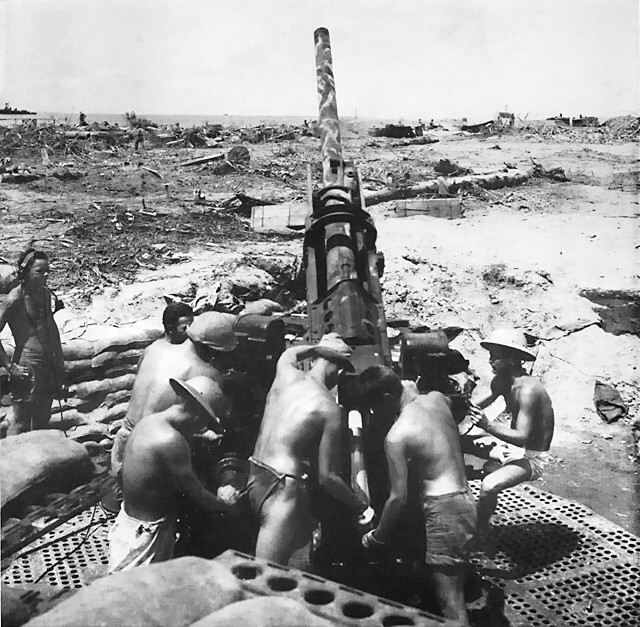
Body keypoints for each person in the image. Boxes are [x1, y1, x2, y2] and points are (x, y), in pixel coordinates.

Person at [359, 366, 476, 627]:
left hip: (444, 511)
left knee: (451, 604)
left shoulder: (397, 435)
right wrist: (410, 391)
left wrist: (377, 536)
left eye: (375, 407)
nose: (376, 414)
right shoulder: (436, 399)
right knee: (453, 589)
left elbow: (397, 499)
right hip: (465, 501)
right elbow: (448, 405)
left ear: (387, 398)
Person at [247, 333, 373, 566]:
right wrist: (359, 504)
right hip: (283, 488)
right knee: (267, 574)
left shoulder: (285, 372)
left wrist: (319, 348)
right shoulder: (329, 409)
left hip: (256, 474)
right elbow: (327, 477)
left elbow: (292, 352)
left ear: (315, 359)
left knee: (293, 546)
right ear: (340, 371)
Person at [108, 376, 239, 573]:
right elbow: (198, 494)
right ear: (197, 415)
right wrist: (225, 504)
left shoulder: (150, 422)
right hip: (147, 534)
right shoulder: (172, 442)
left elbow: (166, 444)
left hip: (130, 522)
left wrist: (200, 436)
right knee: (136, 591)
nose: (203, 427)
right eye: (205, 422)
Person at [110, 311, 236, 478]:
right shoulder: (209, 374)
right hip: (150, 453)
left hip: (123, 444)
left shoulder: (153, 348)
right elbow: (212, 417)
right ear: (209, 348)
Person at [468, 328, 554, 535]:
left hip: (530, 456)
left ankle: (478, 532)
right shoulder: (502, 380)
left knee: (489, 486)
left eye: (495, 357)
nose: (490, 361)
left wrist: (487, 425)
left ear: (514, 360)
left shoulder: (528, 390)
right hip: (510, 448)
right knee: (458, 440)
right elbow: (475, 405)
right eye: (491, 356)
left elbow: (521, 438)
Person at [0, 248, 66, 435]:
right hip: (27, 365)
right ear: (25, 273)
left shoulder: (45, 294)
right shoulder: (15, 298)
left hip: (47, 363)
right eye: (39, 272)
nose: (45, 276)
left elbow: (51, 330)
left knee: (43, 418)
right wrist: (10, 366)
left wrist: (59, 367)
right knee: (21, 420)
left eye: (47, 271)